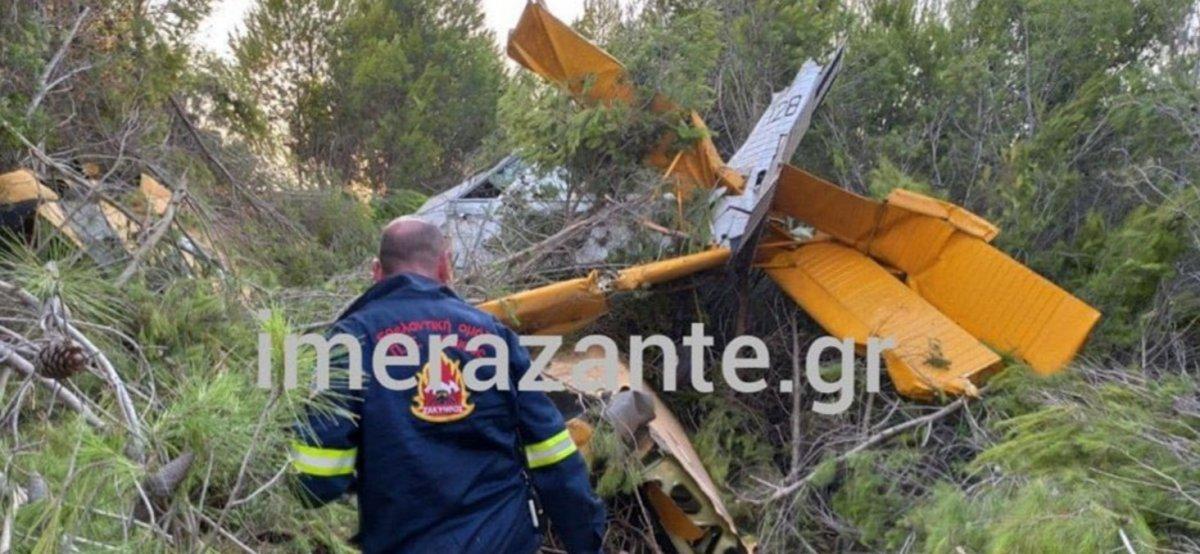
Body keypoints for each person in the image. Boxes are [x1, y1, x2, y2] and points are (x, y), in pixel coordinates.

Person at [291, 217, 606, 553]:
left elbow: (316, 482)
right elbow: (552, 453)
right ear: (445, 266)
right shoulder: (495, 337)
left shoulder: (345, 343)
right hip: (502, 541)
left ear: (376, 271)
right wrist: (586, 541)